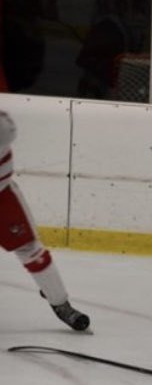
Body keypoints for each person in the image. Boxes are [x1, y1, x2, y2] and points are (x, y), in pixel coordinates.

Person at [0, 110, 91, 332]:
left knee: (31, 250)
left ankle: (60, 303)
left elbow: (7, 128)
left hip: (2, 198)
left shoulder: (2, 126)